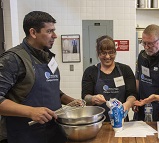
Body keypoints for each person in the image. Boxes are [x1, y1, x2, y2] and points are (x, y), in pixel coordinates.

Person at [0, 11, 82, 143]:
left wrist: (72, 102)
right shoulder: (13, 59)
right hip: (25, 135)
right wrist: (30, 111)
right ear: (33, 32)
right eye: (49, 31)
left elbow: (53, 91)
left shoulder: (48, 57)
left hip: (53, 133)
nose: (55, 36)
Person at [81, 35, 137, 122]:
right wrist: (93, 98)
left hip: (121, 121)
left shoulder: (125, 70)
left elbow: (132, 94)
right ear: (98, 53)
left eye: (111, 52)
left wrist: (128, 104)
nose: (107, 57)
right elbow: (85, 97)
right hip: (98, 122)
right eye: (103, 53)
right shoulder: (90, 71)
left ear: (115, 52)